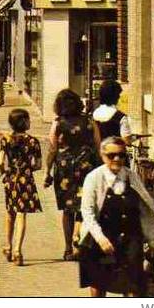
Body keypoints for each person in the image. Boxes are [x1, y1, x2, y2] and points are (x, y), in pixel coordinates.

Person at [79, 136, 154, 297]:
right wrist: (100, 238)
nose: (117, 159)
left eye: (121, 155)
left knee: (133, 286)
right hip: (102, 236)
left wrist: (153, 239)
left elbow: (145, 208)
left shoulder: (132, 177)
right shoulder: (94, 178)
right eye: (112, 155)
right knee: (98, 284)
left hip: (130, 238)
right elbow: (87, 212)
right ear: (103, 156)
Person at [43, 88, 101, 260]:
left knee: (68, 210)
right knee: (86, 206)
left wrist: (47, 172)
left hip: (65, 170)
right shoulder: (90, 121)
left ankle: (68, 248)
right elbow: (98, 145)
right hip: (87, 169)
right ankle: (80, 241)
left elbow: (52, 149)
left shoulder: (58, 123)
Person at [0, 108, 42, 267]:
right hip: (26, 180)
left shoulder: (6, 139)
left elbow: (0, 161)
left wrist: (3, 173)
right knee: (22, 215)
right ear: (24, 122)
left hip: (11, 179)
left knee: (10, 213)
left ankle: (7, 245)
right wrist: (28, 168)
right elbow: (38, 164)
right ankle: (17, 250)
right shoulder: (33, 141)